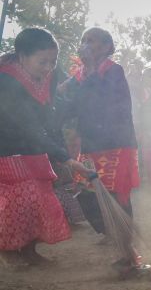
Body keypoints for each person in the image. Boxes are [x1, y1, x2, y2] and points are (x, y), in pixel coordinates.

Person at [0, 28, 91, 265]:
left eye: (52, 61)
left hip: (35, 146)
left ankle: (29, 250)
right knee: (18, 202)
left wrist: (61, 153)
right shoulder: (6, 80)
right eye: (42, 61)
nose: (48, 67)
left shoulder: (48, 76)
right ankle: (10, 251)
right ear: (22, 57)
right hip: (7, 148)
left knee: (41, 199)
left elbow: (51, 119)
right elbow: (27, 126)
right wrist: (66, 157)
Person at [57, 27, 141, 266]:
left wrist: (88, 71)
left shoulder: (114, 71)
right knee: (87, 194)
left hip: (116, 143)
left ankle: (128, 253)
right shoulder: (80, 76)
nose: (85, 44)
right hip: (92, 144)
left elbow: (100, 102)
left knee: (116, 196)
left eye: (91, 41)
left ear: (106, 47)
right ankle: (115, 235)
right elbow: (69, 105)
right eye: (83, 39)